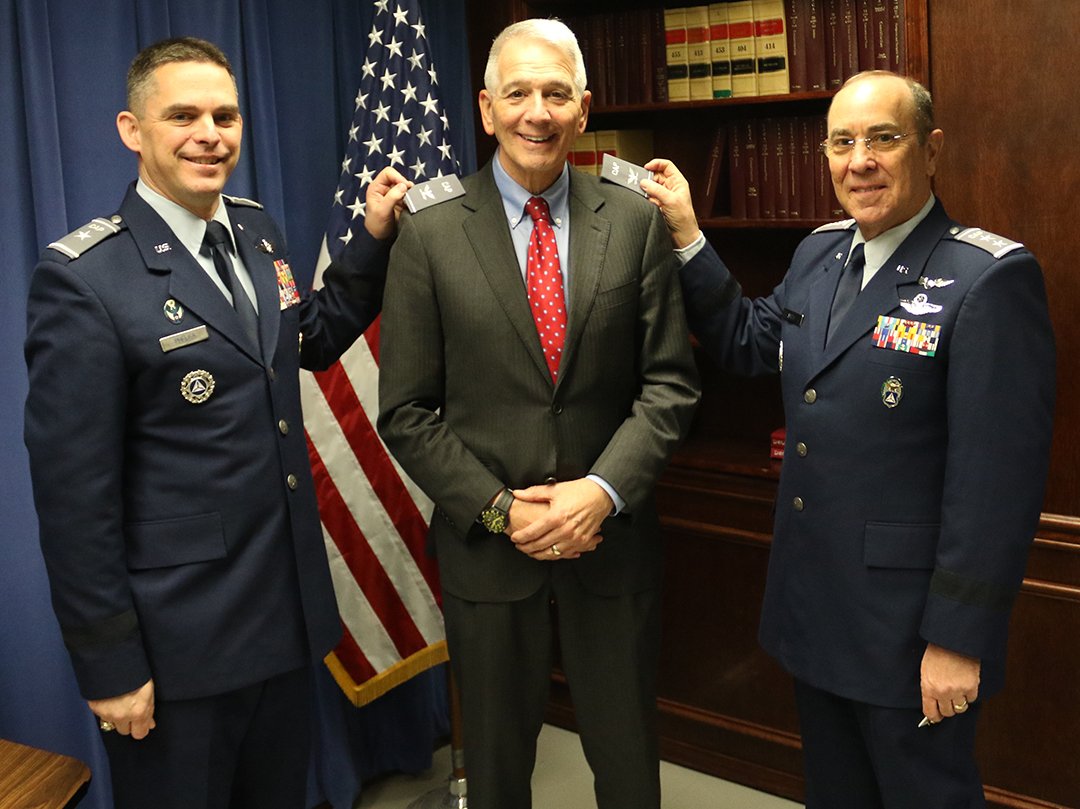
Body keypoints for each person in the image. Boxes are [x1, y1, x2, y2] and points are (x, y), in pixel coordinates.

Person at [641, 71, 1055, 807]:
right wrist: (688, 235)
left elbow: (995, 484)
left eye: (883, 139)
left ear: (929, 151)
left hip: (909, 632)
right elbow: (744, 342)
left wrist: (958, 639)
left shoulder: (986, 279)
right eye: (842, 142)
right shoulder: (818, 255)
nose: (859, 160)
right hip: (818, 606)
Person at [23, 37, 409, 809]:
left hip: (282, 620)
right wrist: (111, 666)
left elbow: (305, 343)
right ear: (133, 130)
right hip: (179, 654)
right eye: (184, 115)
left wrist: (368, 240)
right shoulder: (85, 279)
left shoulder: (257, 231)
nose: (211, 133)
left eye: (225, 115)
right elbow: (75, 501)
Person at [376, 18, 699, 809]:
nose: (537, 112)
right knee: (493, 769)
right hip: (488, 554)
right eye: (517, 93)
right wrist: (496, 510)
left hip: (612, 541)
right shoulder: (429, 230)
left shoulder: (633, 219)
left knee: (628, 763)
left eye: (557, 93)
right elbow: (408, 409)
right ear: (485, 109)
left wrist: (602, 490)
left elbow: (670, 385)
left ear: (584, 109)